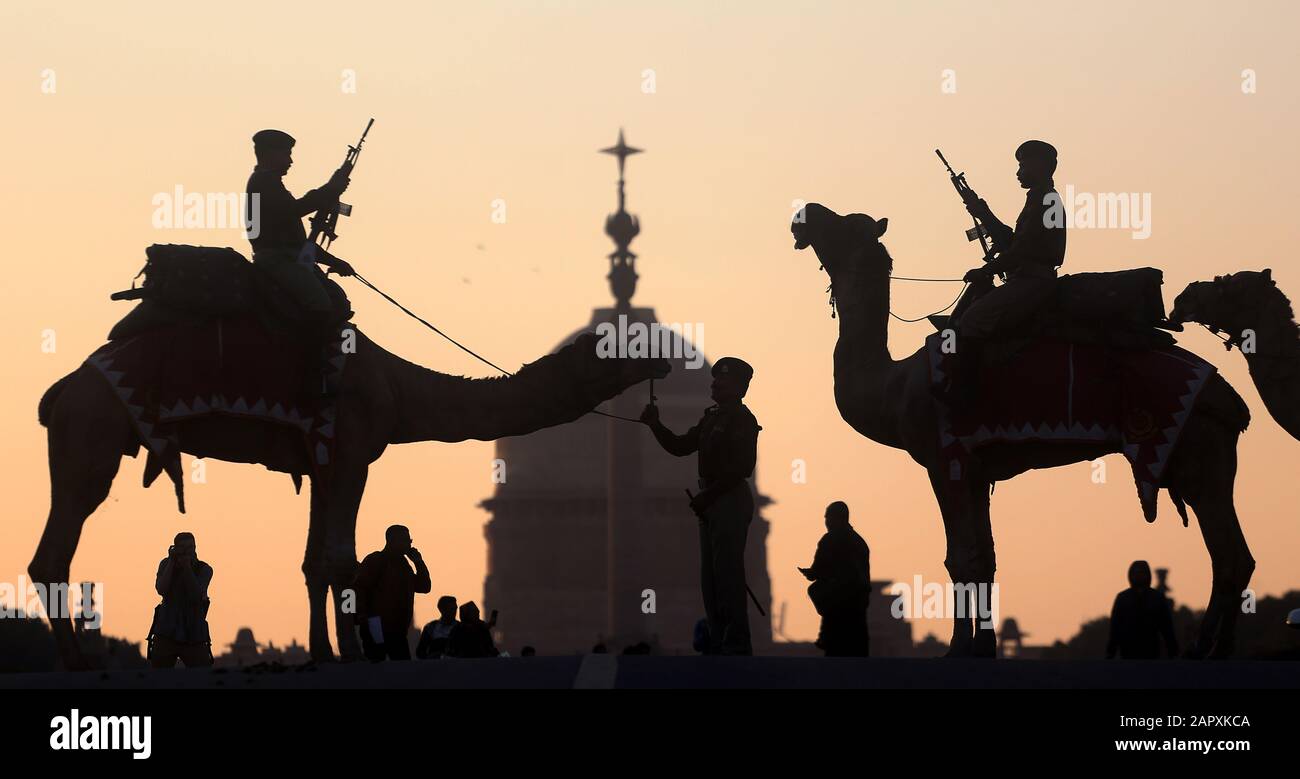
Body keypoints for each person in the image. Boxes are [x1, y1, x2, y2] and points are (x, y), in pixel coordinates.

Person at [640, 357, 761, 656]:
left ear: (739, 388)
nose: (714, 384)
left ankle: (736, 642)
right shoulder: (711, 418)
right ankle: (719, 640)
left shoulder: (742, 420)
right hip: (711, 500)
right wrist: (655, 425)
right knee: (711, 578)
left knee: (728, 575)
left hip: (728, 498)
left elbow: (741, 468)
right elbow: (680, 446)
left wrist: (709, 497)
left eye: (722, 380)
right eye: (714, 379)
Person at [946, 140, 1066, 405]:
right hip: (1027, 277)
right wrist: (985, 214)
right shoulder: (1039, 199)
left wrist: (986, 270)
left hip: (1033, 281)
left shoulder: (1046, 201)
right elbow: (1017, 243)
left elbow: (1022, 250)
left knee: (972, 321)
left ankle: (965, 393)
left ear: (1046, 166)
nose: (1019, 171)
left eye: (1024, 164)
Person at [245, 129, 356, 395]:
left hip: (286, 257)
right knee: (319, 305)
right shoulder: (264, 183)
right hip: (276, 260)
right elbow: (293, 214)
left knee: (336, 300)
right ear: (271, 154)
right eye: (287, 154)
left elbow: (297, 241)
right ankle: (310, 372)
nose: (290, 160)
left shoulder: (270, 183)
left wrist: (334, 261)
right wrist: (331, 189)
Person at [800, 502, 871, 657]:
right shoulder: (859, 541)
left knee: (815, 590)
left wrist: (810, 574)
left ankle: (826, 634)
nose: (826, 522)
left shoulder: (830, 539)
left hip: (841, 595)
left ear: (837, 518)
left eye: (828, 518)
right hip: (860, 597)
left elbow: (818, 570)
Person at [352, 525, 431, 662]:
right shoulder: (376, 560)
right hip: (375, 624)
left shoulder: (404, 565)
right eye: (406, 540)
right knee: (377, 663)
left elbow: (424, 587)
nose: (409, 544)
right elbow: (355, 588)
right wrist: (354, 616)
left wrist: (418, 562)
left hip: (397, 629)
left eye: (410, 541)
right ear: (393, 541)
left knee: (401, 669)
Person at [147, 532, 214, 668]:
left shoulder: (204, 569)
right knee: (158, 677)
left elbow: (196, 595)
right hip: (166, 632)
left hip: (194, 634)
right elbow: (161, 589)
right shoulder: (166, 564)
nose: (186, 551)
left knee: (202, 676)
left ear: (195, 547)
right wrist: (172, 562)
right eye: (182, 547)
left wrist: (187, 568)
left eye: (190, 547)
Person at [1106, 560, 1179, 659]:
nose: (1138, 576)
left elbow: (1167, 628)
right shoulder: (1123, 598)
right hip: (1128, 652)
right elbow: (1115, 629)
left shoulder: (1157, 598)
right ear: (1130, 575)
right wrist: (1110, 652)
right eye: (1136, 573)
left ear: (1147, 575)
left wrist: (1173, 651)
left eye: (1141, 573)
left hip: (1151, 652)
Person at [416, 595, 459, 659]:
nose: (453, 611)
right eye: (450, 608)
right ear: (442, 609)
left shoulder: (461, 628)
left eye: (454, 608)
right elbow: (420, 652)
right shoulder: (430, 628)